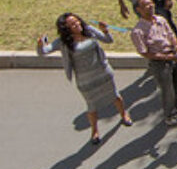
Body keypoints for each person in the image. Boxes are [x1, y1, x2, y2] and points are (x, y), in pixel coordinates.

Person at [37, 13, 133, 144]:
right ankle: (95, 131)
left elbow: (108, 40)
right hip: (85, 79)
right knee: (92, 105)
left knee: (115, 95)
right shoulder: (63, 42)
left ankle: (124, 115)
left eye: (77, 21)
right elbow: (43, 52)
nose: (77, 25)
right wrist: (40, 44)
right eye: (72, 24)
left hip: (103, 72)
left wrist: (105, 31)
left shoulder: (89, 31)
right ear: (66, 28)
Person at [129, 0, 177, 128]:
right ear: (138, 10)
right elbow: (145, 52)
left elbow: (171, 34)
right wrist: (166, 57)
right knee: (167, 91)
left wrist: (176, 47)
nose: (150, 6)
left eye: (151, 3)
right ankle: (169, 116)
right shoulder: (138, 31)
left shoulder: (161, 20)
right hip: (159, 63)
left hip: (172, 56)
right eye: (146, 5)